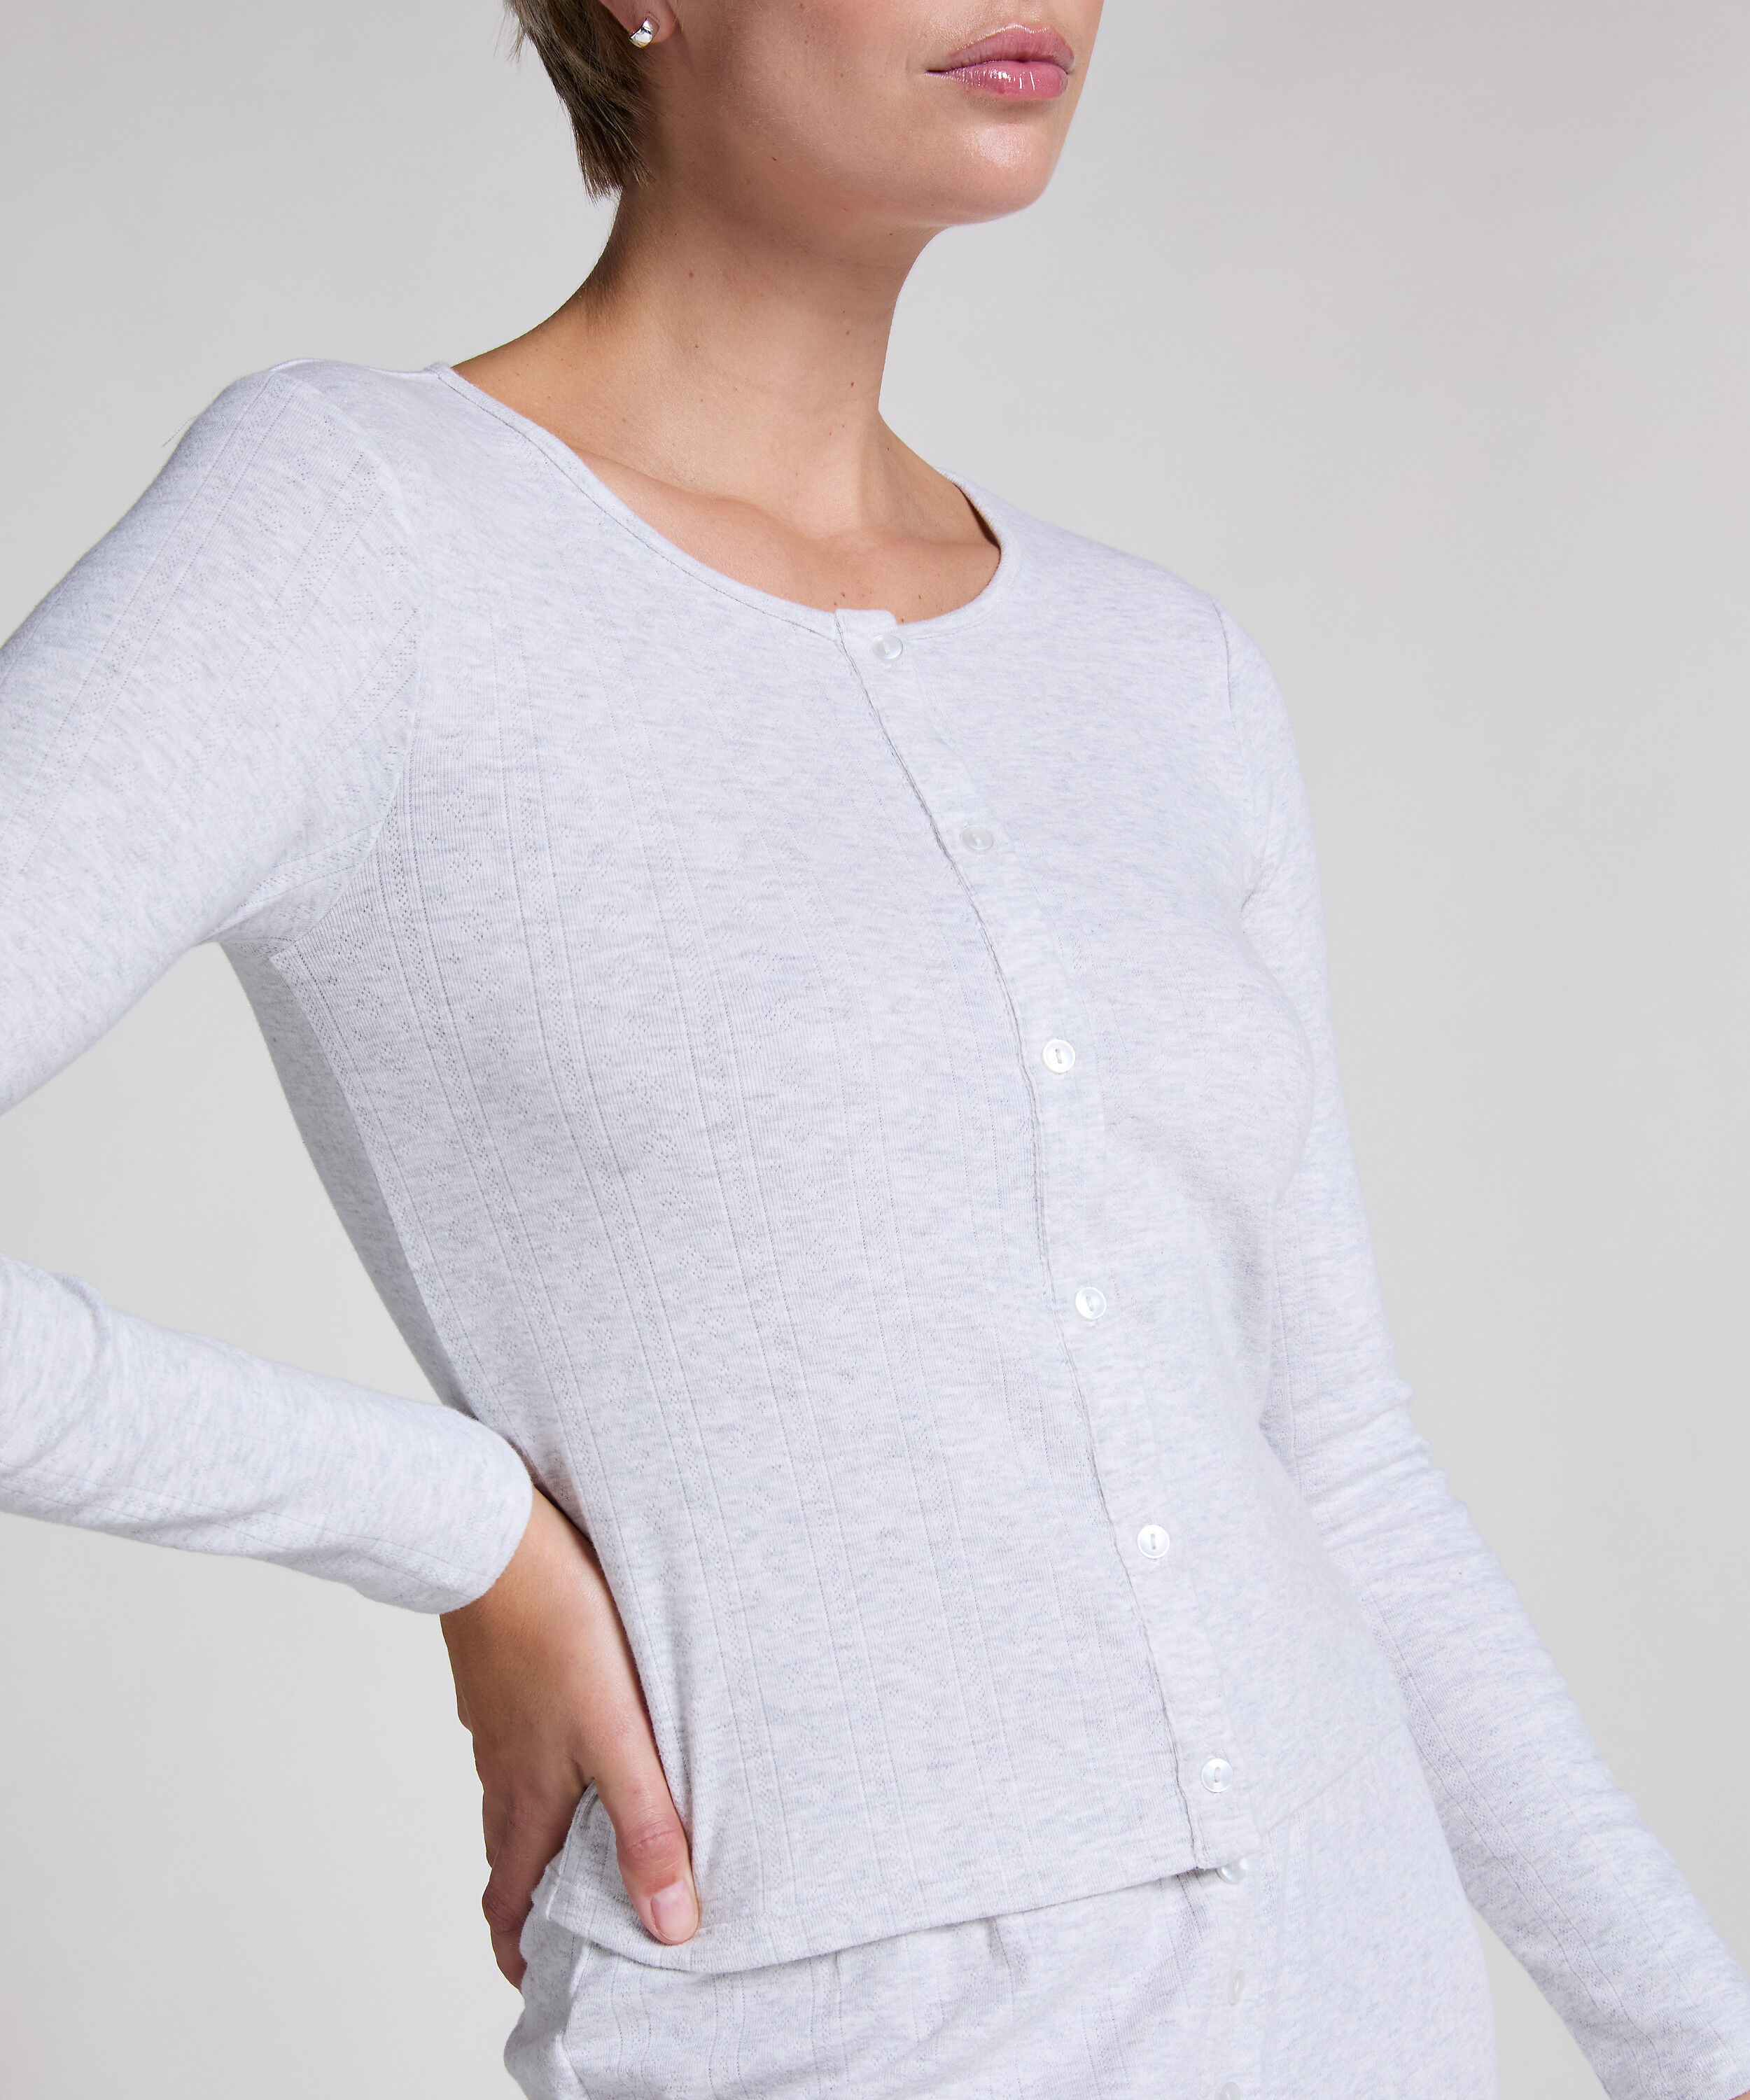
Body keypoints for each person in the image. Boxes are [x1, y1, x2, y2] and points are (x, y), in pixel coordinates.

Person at [1, 1, 1746, 2094]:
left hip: (1357, 1988)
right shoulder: (361, 533)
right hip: (839, 2032)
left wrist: (1688, 2042)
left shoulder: (1162, 673)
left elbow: (1340, 1457)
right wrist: (453, 1526)